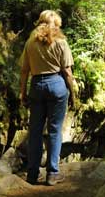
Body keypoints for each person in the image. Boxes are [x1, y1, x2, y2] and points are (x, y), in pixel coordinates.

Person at [20, 10, 75, 186]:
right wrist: (73, 93)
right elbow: (67, 71)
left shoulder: (30, 43)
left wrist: (22, 92)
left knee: (35, 131)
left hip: (37, 85)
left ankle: (32, 174)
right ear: (56, 25)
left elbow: (24, 71)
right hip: (57, 84)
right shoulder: (61, 42)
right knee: (54, 129)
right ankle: (52, 173)